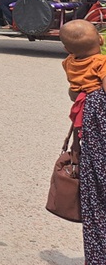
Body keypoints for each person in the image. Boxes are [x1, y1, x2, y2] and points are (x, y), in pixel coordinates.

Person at [58, 20, 106, 264]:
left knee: (96, 198)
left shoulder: (69, 63)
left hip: (89, 136)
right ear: (100, 40)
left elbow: (73, 92)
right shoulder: (102, 63)